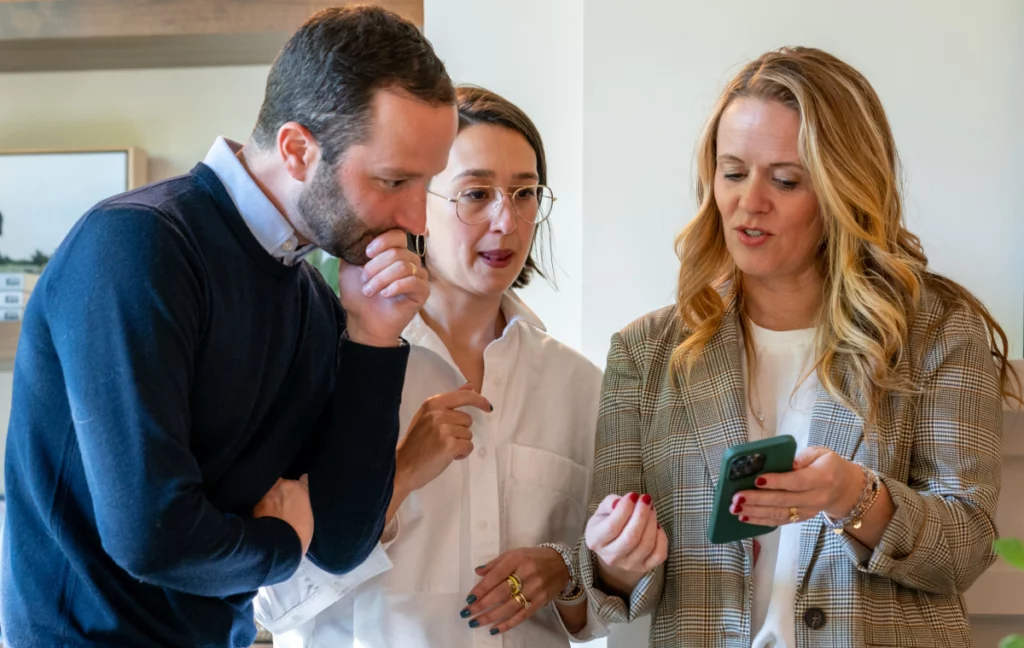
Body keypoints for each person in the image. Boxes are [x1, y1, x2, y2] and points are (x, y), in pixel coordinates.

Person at [0, 7, 458, 648]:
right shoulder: (137, 245)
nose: (418, 219)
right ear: (297, 150)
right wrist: (281, 543)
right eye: (394, 180)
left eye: (426, 184)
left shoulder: (314, 301)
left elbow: (339, 542)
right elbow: (152, 534)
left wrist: (373, 338)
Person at [578, 46, 1016, 647]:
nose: (749, 202)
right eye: (733, 173)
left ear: (843, 190)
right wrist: (616, 562)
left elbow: (966, 547)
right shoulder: (645, 352)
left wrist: (853, 497)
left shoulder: (937, 330)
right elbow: (615, 592)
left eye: (785, 180)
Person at [252, 85, 605, 648]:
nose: (506, 221)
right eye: (475, 194)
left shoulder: (580, 385)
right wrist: (398, 476)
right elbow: (271, 602)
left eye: (524, 193)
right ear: (417, 206)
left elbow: (596, 614)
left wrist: (564, 568)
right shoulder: (326, 366)